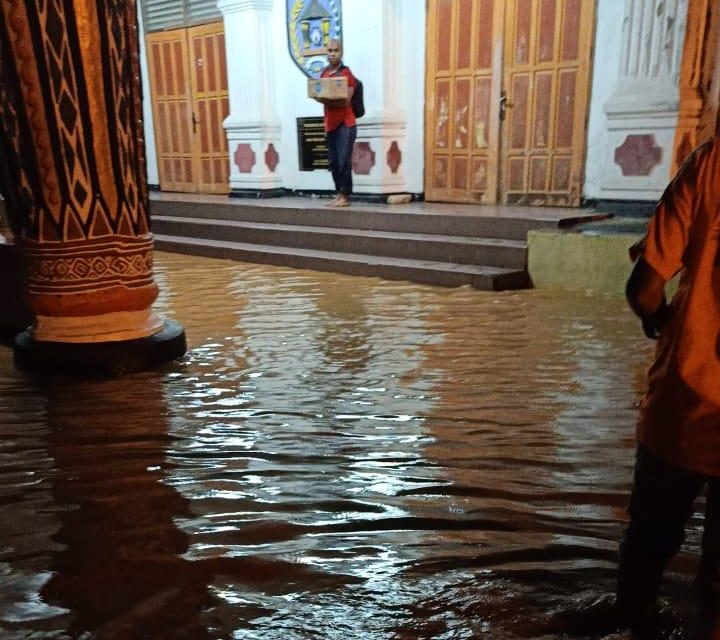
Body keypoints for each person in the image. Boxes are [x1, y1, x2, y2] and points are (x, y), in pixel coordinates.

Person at [618, 136, 720, 638]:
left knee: (645, 557)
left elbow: (644, 287)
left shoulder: (711, 164)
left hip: (682, 405)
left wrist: (658, 320)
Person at [313, 39, 357, 208]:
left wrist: (326, 99)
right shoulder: (324, 74)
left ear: (341, 52)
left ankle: (345, 196)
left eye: (335, 50)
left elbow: (346, 101)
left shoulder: (346, 73)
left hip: (346, 123)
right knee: (333, 162)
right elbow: (319, 94)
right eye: (329, 50)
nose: (332, 54)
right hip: (330, 124)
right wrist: (320, 98)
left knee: (343, 160)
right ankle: (339, 194)